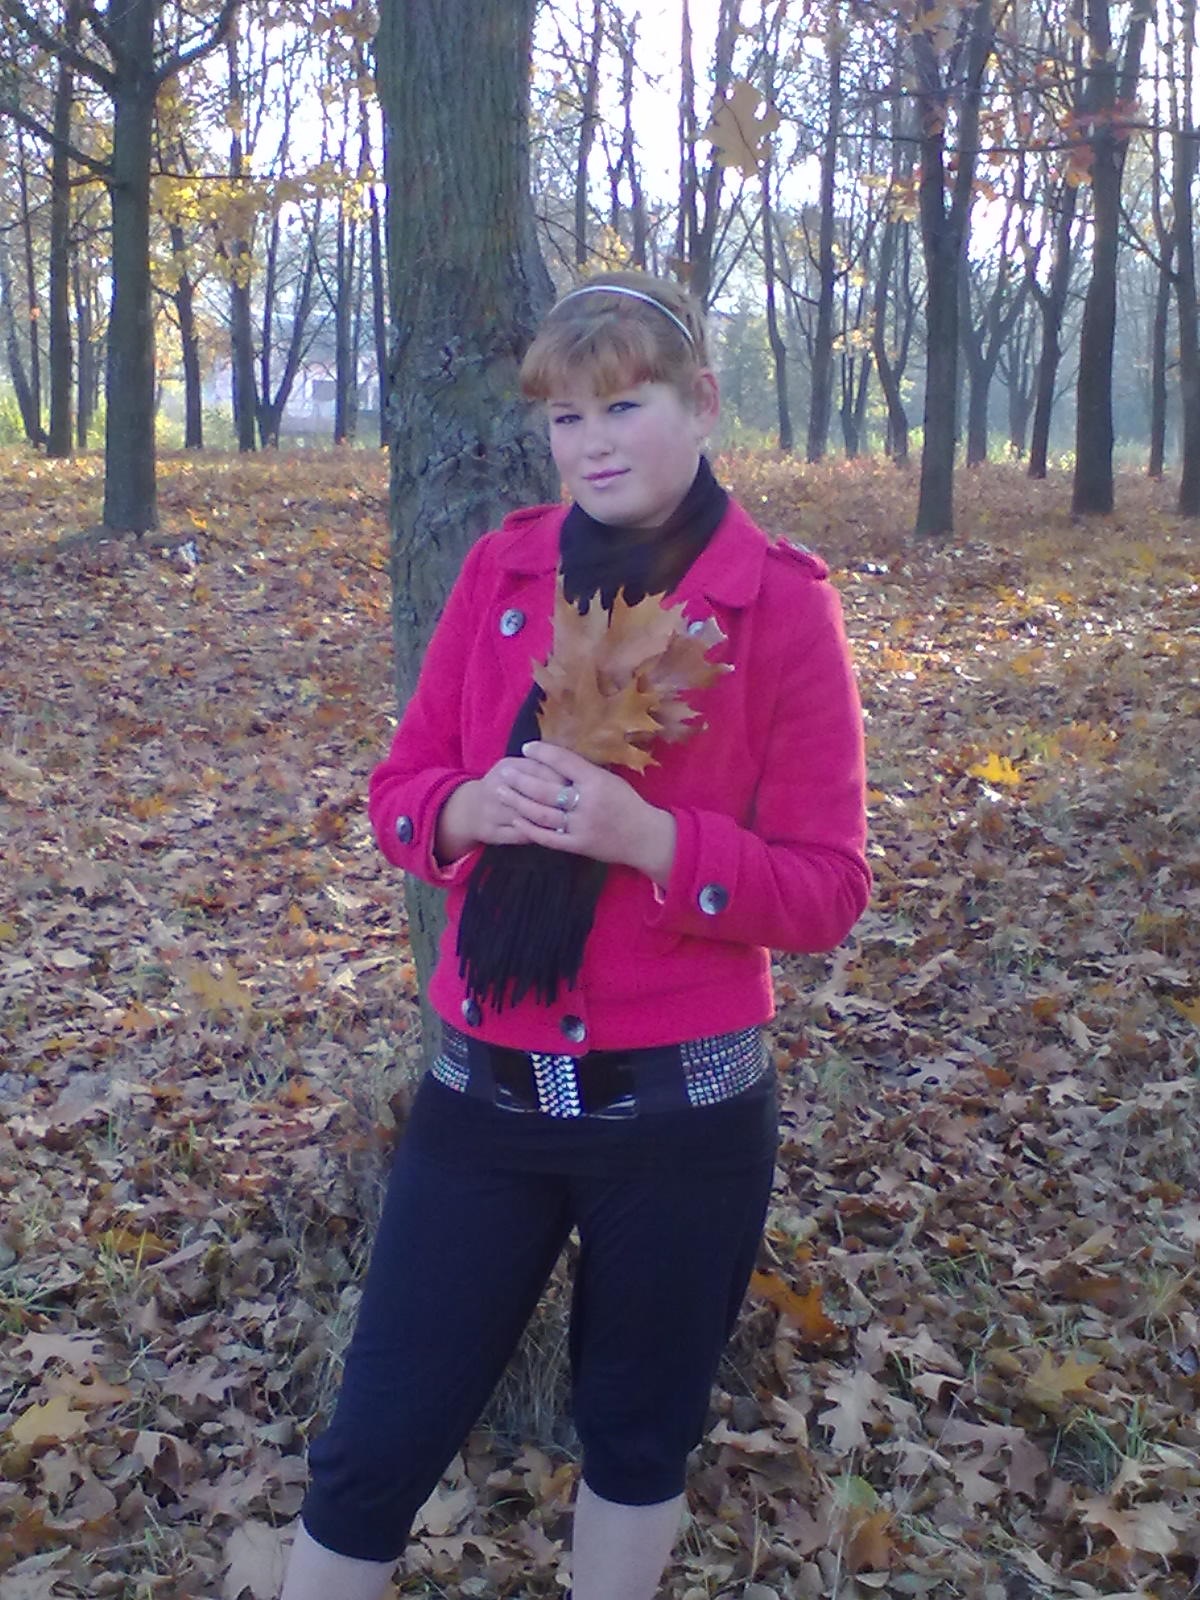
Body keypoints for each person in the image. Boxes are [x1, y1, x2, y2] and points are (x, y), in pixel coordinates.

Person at [279, 270, 870, 1600]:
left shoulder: (777, 604)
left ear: (701, 404)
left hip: (684, 1119)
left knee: (637, 1442)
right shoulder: (503, 571)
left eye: (624, 406)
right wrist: (466, 808)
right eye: (565, 417)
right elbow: (399, 791)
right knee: (372, 1448)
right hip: (482, 1099)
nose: (592, 443)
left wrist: (653, 842)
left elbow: (829, 888)